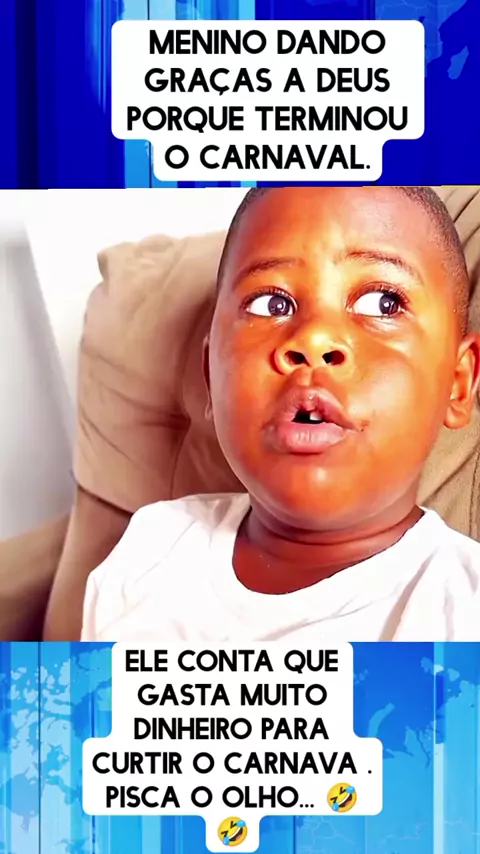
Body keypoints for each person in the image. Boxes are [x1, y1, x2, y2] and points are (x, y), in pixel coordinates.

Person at [81, 185, 480, 642]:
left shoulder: (463, 611)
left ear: (458, 383)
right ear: (210, 377)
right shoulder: (149, 551)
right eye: (271, 304)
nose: (314, 339)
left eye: (382, 302)